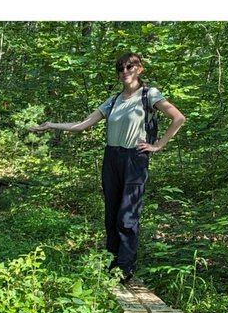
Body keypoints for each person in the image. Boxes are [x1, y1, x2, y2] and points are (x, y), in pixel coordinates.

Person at [28, 51, 185, 280]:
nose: (125, 72)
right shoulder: (113, 100)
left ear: (139, 69)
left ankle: (124, 269)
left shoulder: (149, 94)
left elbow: (178, 118)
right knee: (111, 214)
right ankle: (110, 264)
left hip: (135, 158)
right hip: (111, 157)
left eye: (130, 67)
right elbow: (83, 125)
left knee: (127, 216)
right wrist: (51, 124)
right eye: (120, 69)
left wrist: (158, 145)